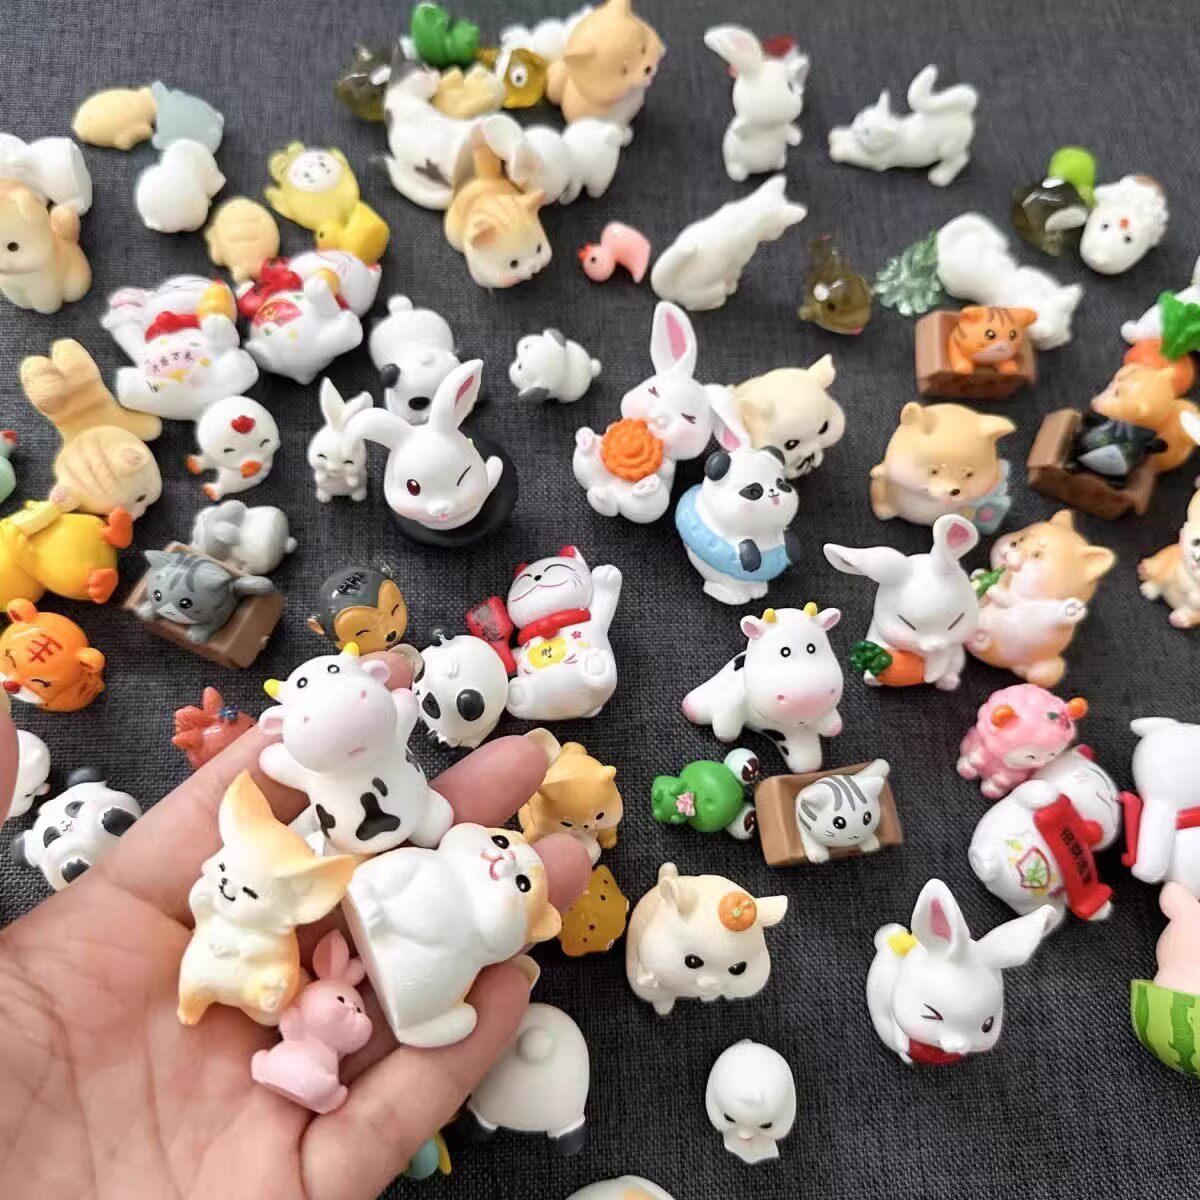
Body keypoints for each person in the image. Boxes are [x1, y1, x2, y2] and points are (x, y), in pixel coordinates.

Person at [0, 652, 590, 1198]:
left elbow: (368, 745)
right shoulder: (329, 846)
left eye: (518, 883)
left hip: (407, 926)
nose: (505, 861)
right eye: (506, 848)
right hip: (343, 910)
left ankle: (415, 1013)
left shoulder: (444, 874)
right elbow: (282, 781)